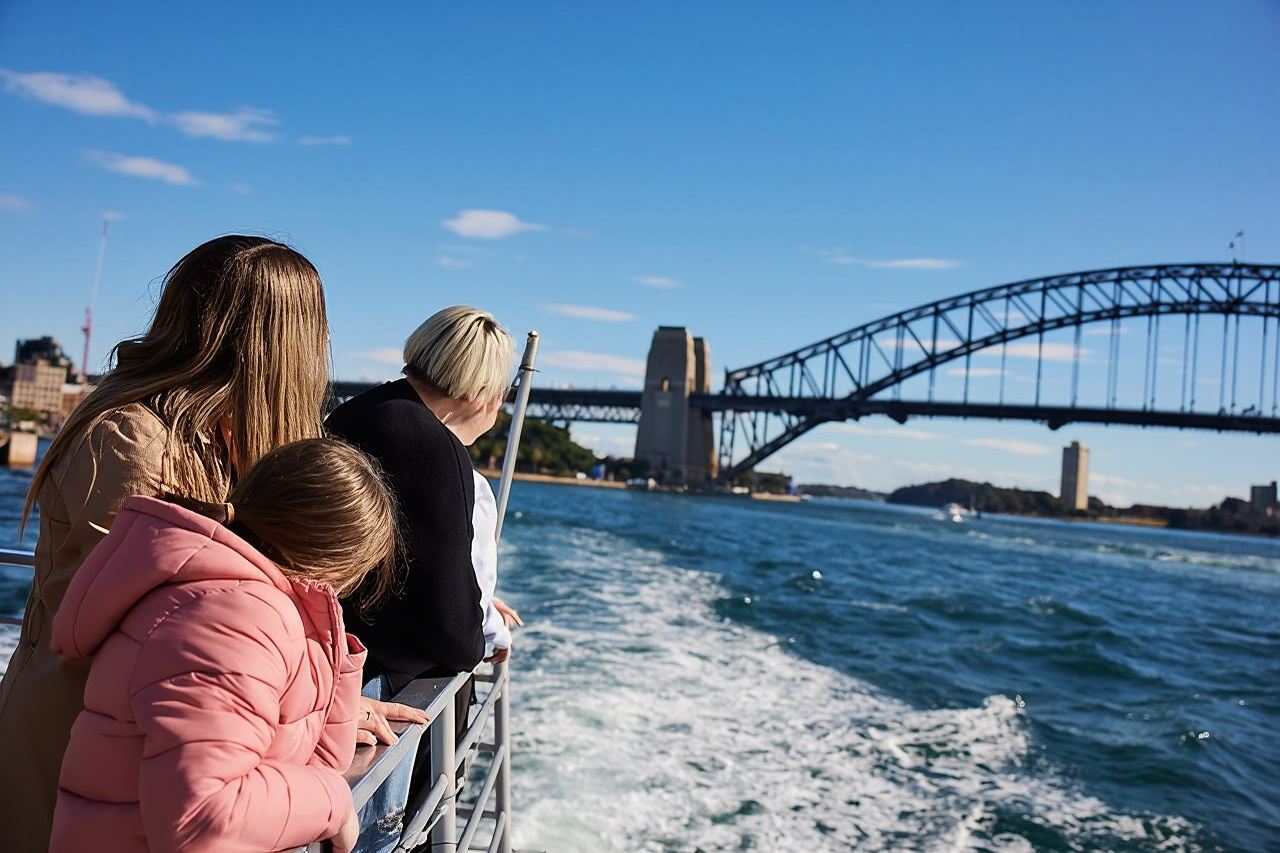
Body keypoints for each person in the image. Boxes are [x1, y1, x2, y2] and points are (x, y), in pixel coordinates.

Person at [0, 235, 420, 851]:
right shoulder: (137, 442)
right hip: (83, 762)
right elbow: (154, 629)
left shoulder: (219, 444)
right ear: (286, 344)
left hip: (162, 749)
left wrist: (324, 706)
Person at [48, 439, 399, 852]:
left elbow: (319, 762)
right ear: (338, 562)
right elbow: (204, 820)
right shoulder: (235, 618)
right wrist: (335, 801)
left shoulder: (255, 606)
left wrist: (329, 641)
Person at [326, 305, 515, 853]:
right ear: (481, 386)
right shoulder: (434, 449)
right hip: (380, 686)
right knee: (378, 838)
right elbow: (450, 624)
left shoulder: (354, 414)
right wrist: (479, 639)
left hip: (323, 664)